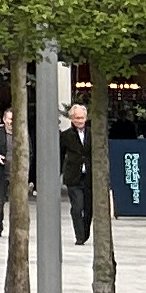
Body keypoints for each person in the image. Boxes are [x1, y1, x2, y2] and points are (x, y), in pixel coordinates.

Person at [60, 102, 95, 243]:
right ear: (71, 119)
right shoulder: (66, 135)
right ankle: (79, 236)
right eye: (77, 118)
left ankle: (85, 233)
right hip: (74, 176)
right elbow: (60, 155)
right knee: (77, 206)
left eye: (82, 118)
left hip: (89, 176)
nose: (80, 121)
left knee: (88, 209)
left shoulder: (93, 134)